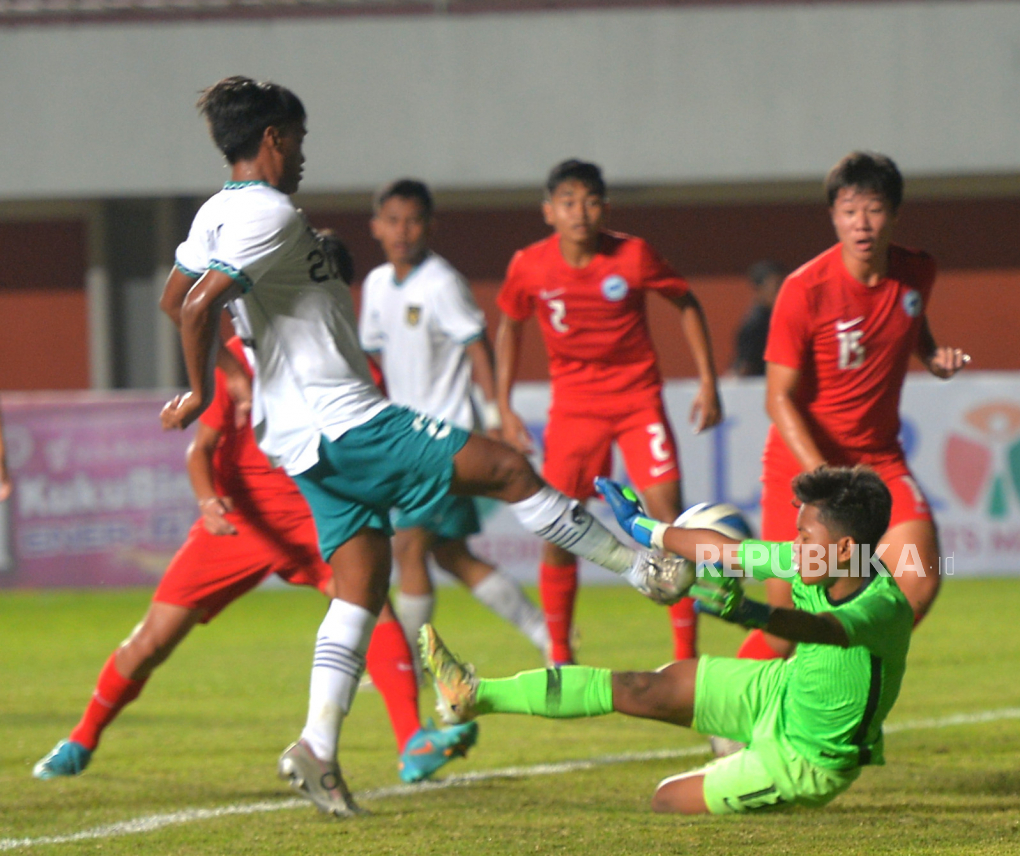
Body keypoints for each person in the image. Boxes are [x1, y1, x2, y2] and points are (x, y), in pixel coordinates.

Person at [157, 77, 679, 817]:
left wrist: (203, 377)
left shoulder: (214, 213)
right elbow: (200, 303)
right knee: (505, 469)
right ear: (274, 138)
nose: (303, 155)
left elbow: (172, 298)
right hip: (347, 423)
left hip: (304, 441)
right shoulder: (267, 211)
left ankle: (317, 747)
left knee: (362, 588)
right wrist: (206, 392)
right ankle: (641, 569)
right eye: (298, 139)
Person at [32, 339, 477, 784]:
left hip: (313, 512)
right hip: (241, 520)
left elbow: (370, 439)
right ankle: (81, 739)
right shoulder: (237, 358)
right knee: (153, 640)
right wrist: (208, 501)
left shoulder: (351, 360)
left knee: (372, 603)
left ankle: (412, 742)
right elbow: (200, 449)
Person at [423, 466, 913, 815]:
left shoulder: (883, 607)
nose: (795, 545)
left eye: (805, 536)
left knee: (666, 799)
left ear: (846, 549)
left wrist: (751, 612)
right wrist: (644, 528)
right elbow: (728, 551)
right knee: (644, 687)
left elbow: (824, 630)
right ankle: (473, 694)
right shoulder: (815, 560)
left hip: (808, 760)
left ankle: (749, 770)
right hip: (779, 691)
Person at [735, 151, 967, 669]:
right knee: (787, 619)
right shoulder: (804, 290)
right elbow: (777, 397)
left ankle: (835, 677)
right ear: (833, 217)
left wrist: (930, 354)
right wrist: (821, 474)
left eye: (874, 209)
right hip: (804, 465)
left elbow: (911, 316)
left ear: (895, 214)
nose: (861, 224)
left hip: (878, 461)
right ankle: (730, 708)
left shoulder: (917, 271)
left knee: (918, 578)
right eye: (848, 211)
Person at [494, 159, 722, 666]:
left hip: (638, 403)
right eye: (569, 202)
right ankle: (559, 653)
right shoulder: (529, 265)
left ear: (605, 208)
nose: (581, 213)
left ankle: (686, 656)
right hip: (575, 411)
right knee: (559, 528)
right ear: (548, 211)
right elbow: (509, 324)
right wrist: (504, 407)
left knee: (668, 526)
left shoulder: (633, 255)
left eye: (591, 201)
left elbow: (685, 302)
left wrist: (708, 382)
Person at [361, 178, 549, 665]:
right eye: (393, 220)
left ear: (430, 226)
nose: (403, 231)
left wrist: (494, 417)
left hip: (443, 438)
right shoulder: (379, 285)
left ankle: (410, 665)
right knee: (450, 555)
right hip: (402, 441)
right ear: (376, 226)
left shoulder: (441, 282)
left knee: (407, 548)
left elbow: (476, 346)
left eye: (413, 220)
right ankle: (546, 635)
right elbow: (374, 362)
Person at [729, 260, 787, 377]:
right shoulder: (756, 326)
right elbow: (745, 367)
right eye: (777, 286)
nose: (783, 292)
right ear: (759, 289)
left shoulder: (777, 319)